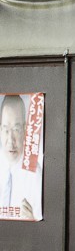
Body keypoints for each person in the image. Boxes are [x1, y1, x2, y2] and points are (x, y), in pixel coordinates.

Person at [0, 94, 42, 222]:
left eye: (16, 129)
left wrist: (32, 220)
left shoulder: (35, 173)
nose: (10, 141)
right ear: (0, 129)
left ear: (25, 129)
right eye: (6, 130)